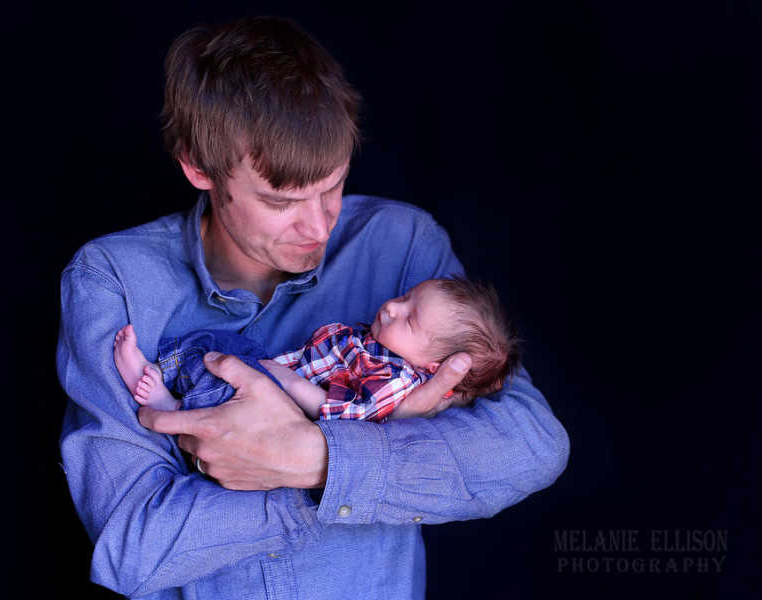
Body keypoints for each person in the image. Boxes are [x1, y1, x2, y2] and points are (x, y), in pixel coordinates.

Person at [57, 16, 569, 599]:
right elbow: (134, 551)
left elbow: (531, 443)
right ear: (199, 168)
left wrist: (318, 461)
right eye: (281, 201)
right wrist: (339, 471)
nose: (319, 225)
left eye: (333, 186)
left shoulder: (400, 245)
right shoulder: (113, 279)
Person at [113, 277, 522, 423]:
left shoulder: (395, 380)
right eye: (405, 297)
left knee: (225, 388)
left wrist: (288, 380)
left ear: (431, 366)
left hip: (283, 399)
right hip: (274, 368)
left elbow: (344, 411)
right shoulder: (379, 345)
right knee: (216, 343)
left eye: (410, 319)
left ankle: (174, 408)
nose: (392, 307)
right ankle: (162, 368)